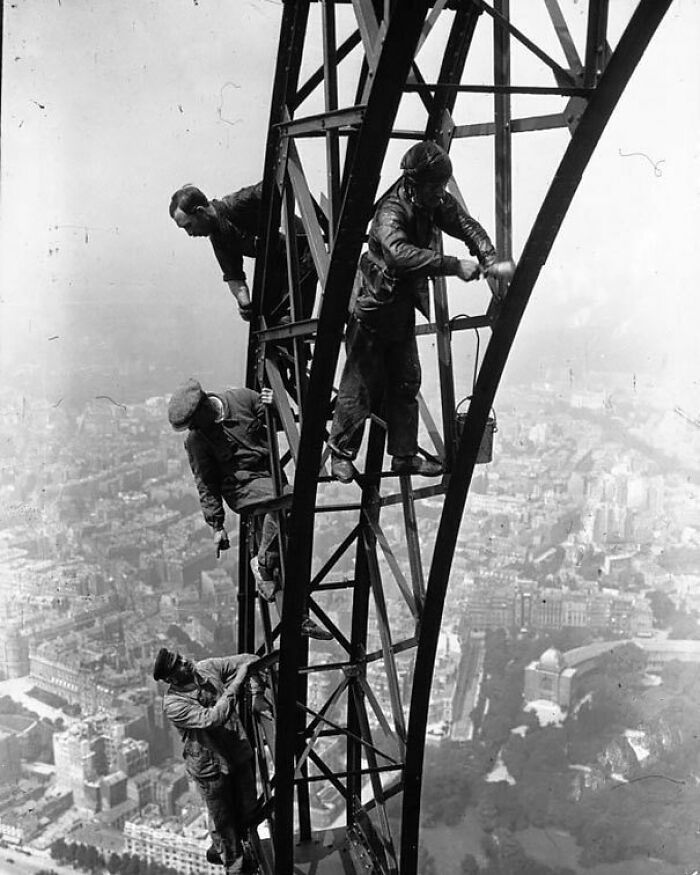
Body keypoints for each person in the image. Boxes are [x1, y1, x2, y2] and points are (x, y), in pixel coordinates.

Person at [328, 141, 510, 483]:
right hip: (373, 307)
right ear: (416, 184)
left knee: (406, 379)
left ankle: (404, 455)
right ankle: (340, 455)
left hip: (398, 306)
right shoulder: (391, 212)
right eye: (436, 187)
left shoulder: (430, 198)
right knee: (360, 385)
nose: (441, 194)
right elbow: (399, 256)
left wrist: (488, 257)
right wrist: (454, 265)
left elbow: (464, 224)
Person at [168, 377, 332, 640]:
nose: (194, 428)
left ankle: (296, 615)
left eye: (194, 422)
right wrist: (217, 526)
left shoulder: (242, 399)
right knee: (292, 503)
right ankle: (265, 563)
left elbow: (280, 425)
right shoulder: (197, 440)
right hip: (242, 489)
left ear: (204, 406)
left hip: (271, 480)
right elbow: (206, 483)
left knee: (287, 543)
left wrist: (276, 406)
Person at [153, 647, 259, 874]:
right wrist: (237, 682)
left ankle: (221, 845)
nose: (186, 661)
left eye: (181, 657)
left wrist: (257, 693)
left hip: (235, 750)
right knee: (223, 820)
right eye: (179, 664)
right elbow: (212, 718)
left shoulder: (207, 668)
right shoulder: (173, 704)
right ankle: (235, 865)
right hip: (209, 766)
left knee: (248, 807)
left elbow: (251, 660)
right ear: (171, 678)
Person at [169, 181, 317, 327]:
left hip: (303, 250)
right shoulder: (220, 239)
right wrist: (245, 305)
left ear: (200, 211)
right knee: (273, 323)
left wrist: (286, 227)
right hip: (278, 265)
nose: (190, 234)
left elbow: (280, 182)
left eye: (188, 226)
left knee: (289, 321)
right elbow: (234, 278)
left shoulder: (237, 203)